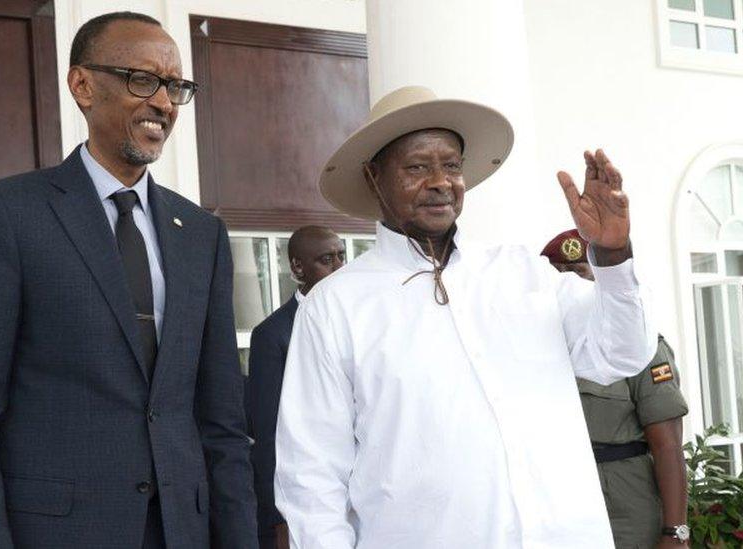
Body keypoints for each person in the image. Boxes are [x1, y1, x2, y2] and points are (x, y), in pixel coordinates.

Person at [0, 11, 256, 548]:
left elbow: (221, 423)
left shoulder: (201, 234)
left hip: (183, 532)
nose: (165, 104)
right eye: (143, 80)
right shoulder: (7, 215)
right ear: (82, 85)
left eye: (175, 87)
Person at [273, 86, 656, 548]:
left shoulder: (524, 272)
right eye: (418, 167)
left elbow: (623, 354)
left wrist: (612, 255)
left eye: (452, 165)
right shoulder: (336, 306)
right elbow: (311, 478)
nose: (441, 181)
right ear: (374, 177)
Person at [542, 229, 690, 548]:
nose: (569, 285)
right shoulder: (533, 349)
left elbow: (667, 445)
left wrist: (676, 531)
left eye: (579, 272)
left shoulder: (641, 345)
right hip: (554, 495)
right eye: (559, 276)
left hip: (622, 499)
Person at [245, 226, 346, 549]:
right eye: (327, 259)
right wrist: (278, 517)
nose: (339, 267)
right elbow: (268, 433)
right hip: (303, 505)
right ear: (298, 268)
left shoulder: (358, 320)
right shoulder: (272, 335)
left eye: (342, 256)